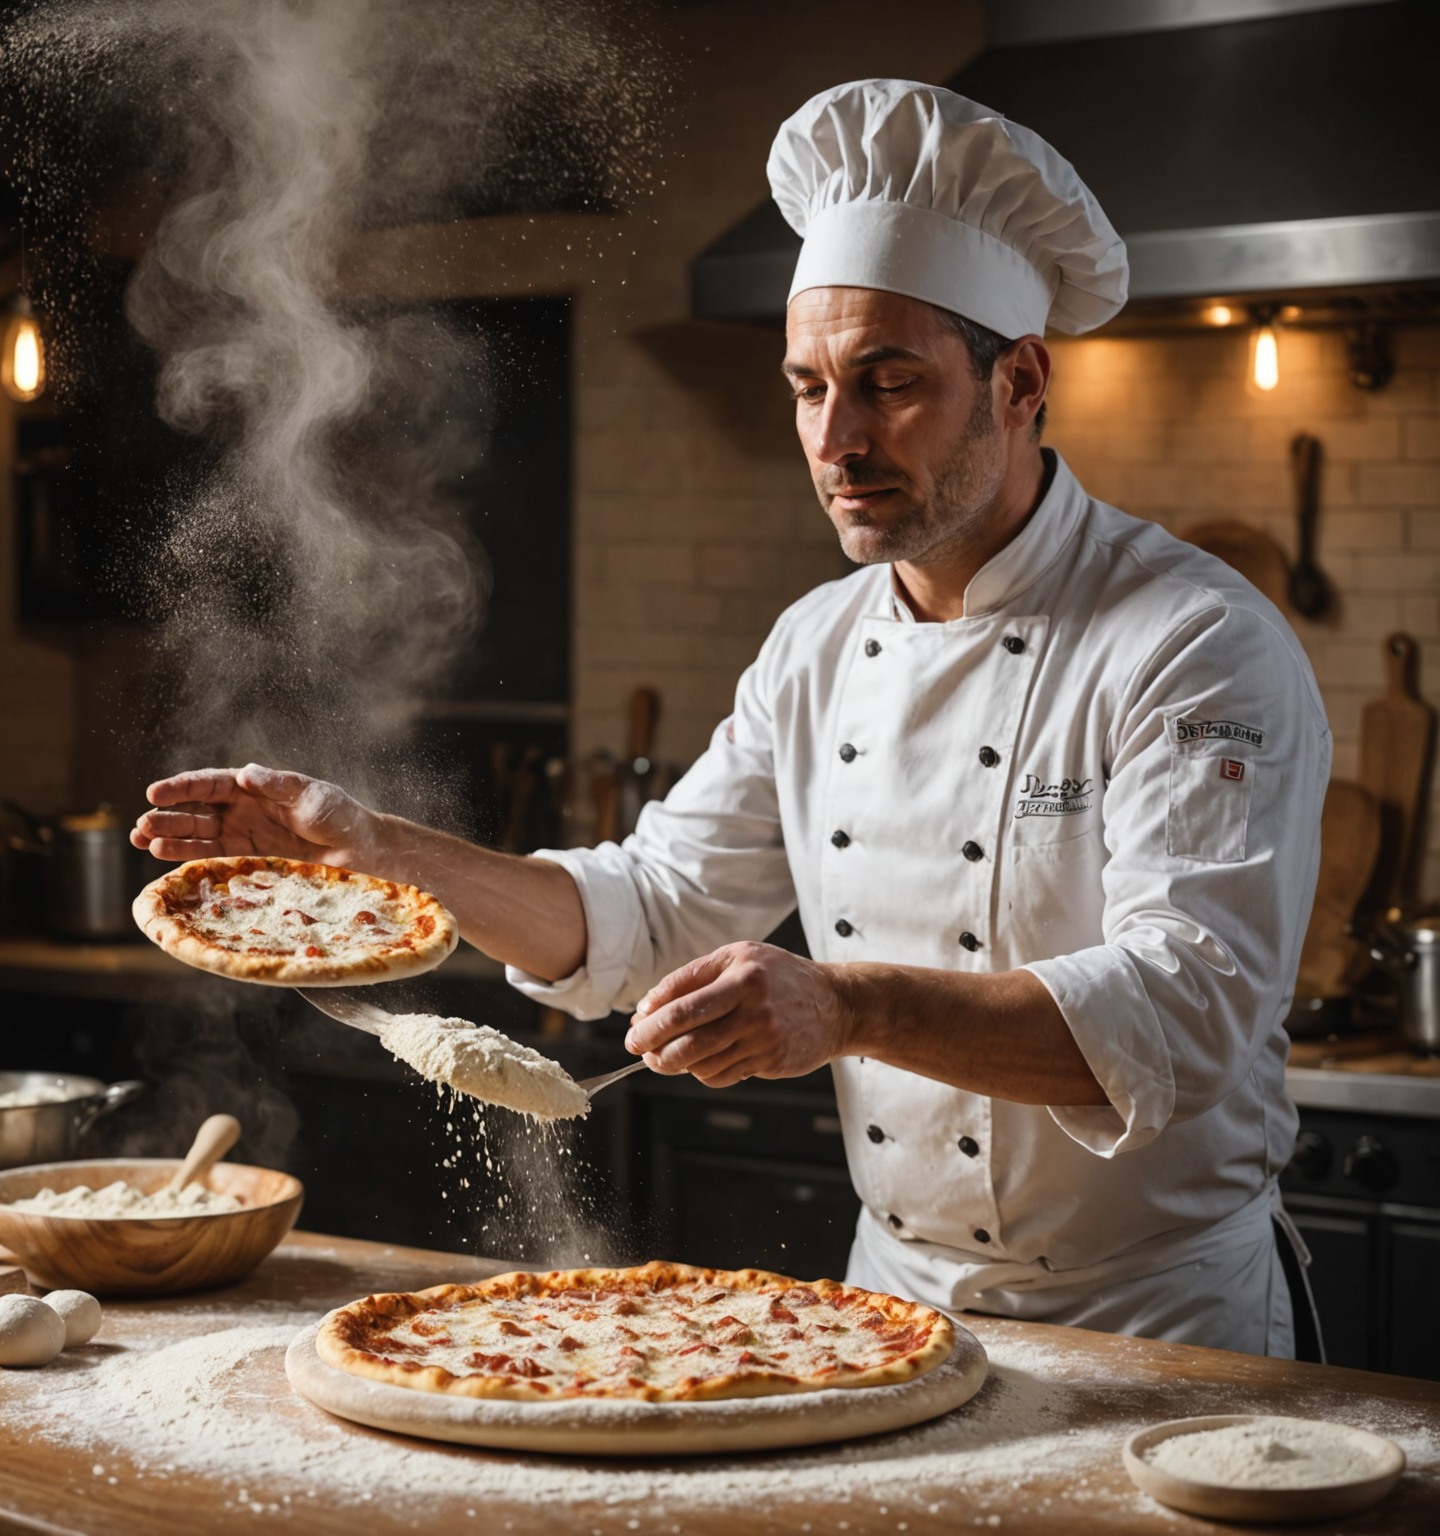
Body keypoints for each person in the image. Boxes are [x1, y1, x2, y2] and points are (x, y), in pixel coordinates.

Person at [133, 80, 1330, 1358]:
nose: (839, 438)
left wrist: (846, 1006)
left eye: (891, 384)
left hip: (1166, 1324)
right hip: (899, 1309)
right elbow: (647, 915)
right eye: (810, 387)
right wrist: (379, 851)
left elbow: (1186, 1014)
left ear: (1020, 381)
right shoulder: (816, 649)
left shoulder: (1193, 640)